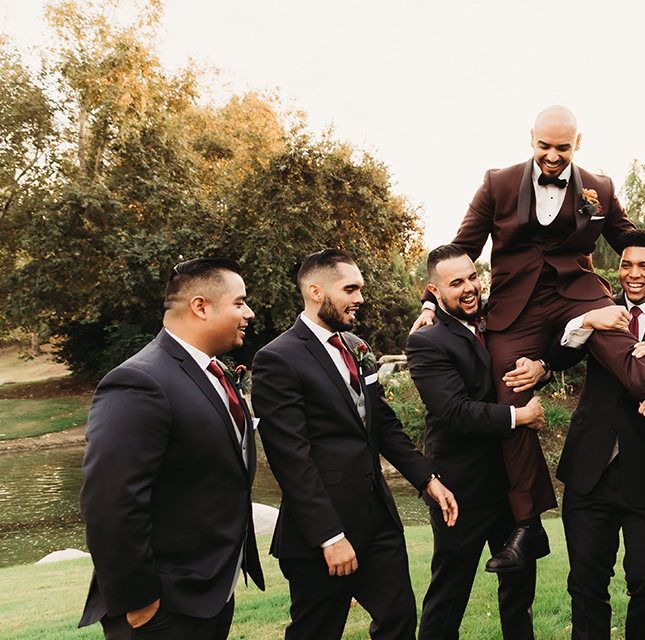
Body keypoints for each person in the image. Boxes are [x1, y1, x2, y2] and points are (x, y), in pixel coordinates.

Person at [413, 105, 645, 570]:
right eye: (543, 146)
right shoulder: (496, 184)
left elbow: (632, 239)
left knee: (618, 343)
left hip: (577, 292)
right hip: (515, 307)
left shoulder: (599, 188)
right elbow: (462, 247)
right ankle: (527, 525)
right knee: (513, 396)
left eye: (561, 148)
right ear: (531, 139)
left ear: (578, 143)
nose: (551, 156)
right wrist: (429, 304)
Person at [251, 249, 458, 640]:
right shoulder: (277, 359)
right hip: (321, 532)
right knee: (317, 631)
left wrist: (427, 478)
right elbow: (290, 457)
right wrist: (330, 536)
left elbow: (381, 423)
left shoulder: (355, 346)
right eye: (351, 289)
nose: (360, 298)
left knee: (398, 620)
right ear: (315, 291)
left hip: (378, 517)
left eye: (360, 288)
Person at [78, 258, 264, 640]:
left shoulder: (211, 372)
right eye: (240, 302)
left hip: (211, 591)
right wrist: (139, 601)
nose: (249, 312)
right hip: (164, 605)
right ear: (200, 306)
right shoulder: (139, 381)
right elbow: (109, 502)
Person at [544, 229, 645, 640]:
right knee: (584, 585)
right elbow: (558, 357)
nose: (632, 274)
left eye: (644, 266)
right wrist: (584, 321)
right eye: (625, 264)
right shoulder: (600, 308)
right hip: (589, 470)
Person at [407, 243, 551, 640]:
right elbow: (454, 412)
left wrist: (540, 371)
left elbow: (526, 363)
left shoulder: (499, 321)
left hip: (512, 487)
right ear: (434, 292)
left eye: (473, 277)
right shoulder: (427, 341)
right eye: (456, 283)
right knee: (448, 596)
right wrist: (518, 416)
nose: (470, 288)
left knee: (519, 594)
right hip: (461, 490)